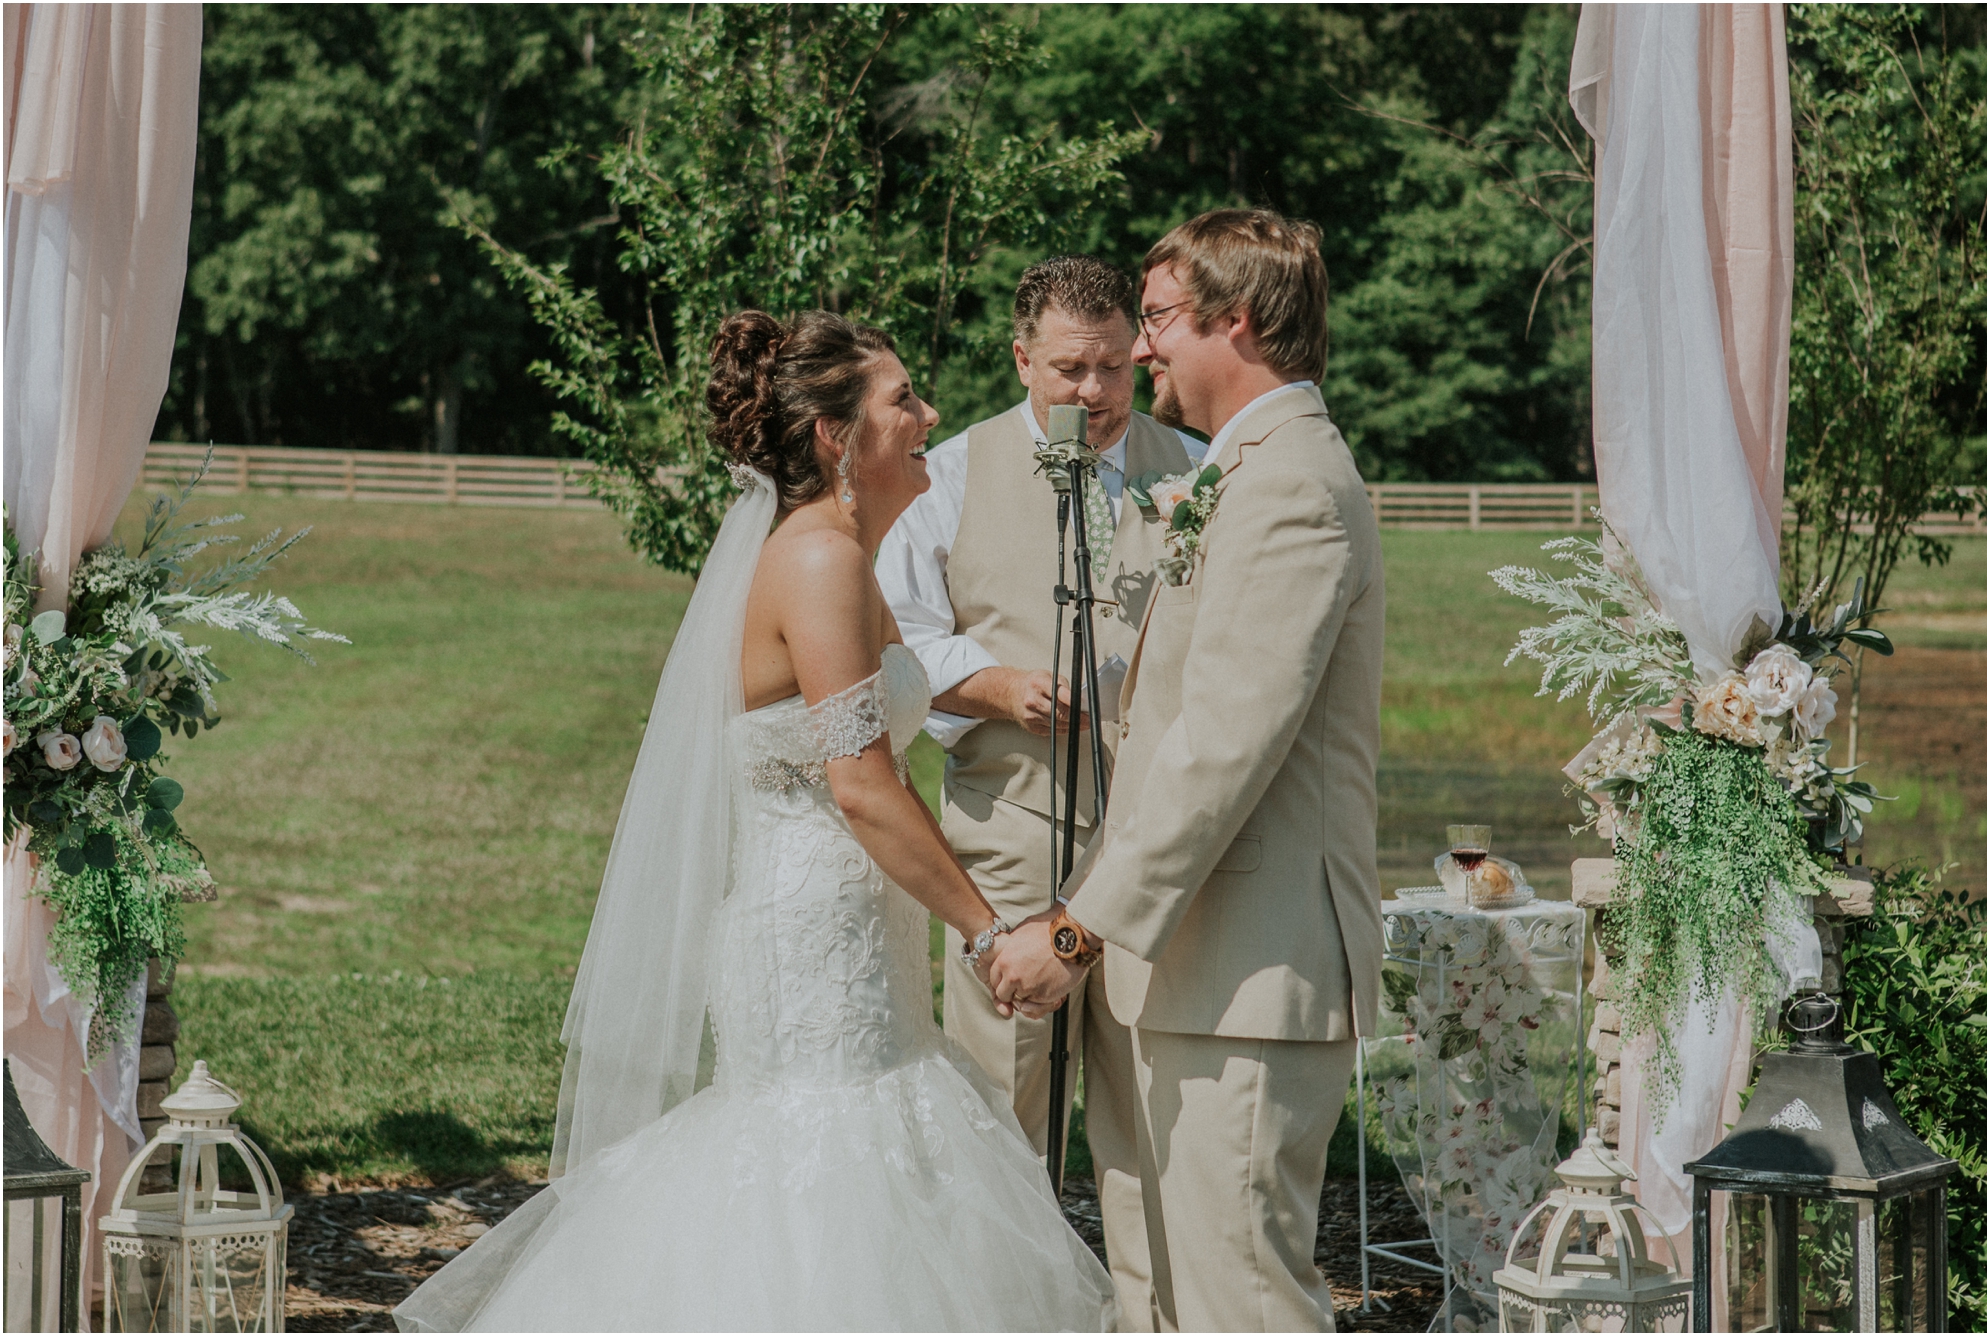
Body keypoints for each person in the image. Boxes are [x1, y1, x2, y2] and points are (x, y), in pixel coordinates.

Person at [394, 310, 1113, 1332]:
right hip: (814, 939)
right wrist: (989, 932)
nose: (928, 414)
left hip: (860, 936)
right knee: (820, 1179)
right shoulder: (817, 560)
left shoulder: (838, 553)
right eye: (901, 398)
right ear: (835, 434)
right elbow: (863, 784)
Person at [986, 210, 1387, 1333]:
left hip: (1249, 979)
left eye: (1157, 319)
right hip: (1197, 975)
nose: (1142, 347)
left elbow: (1222, 748)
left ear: (1238, 322)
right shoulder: (1245, 471)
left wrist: (1074, 928)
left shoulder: (1291, 486)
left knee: (1242, 1305)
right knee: (1173, 1303)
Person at [875, 255, 1202, 1328]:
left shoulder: (1195, 469)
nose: (1094, 393)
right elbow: (897, 639)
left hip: (1152, 847)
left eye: (1114, 366)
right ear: (1021, 358)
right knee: (999, 1105)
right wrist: (992, 682)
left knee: (1146, 1114)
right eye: (1068, 369)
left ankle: (1146, 1317)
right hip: (1006, 834)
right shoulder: (950, 474)